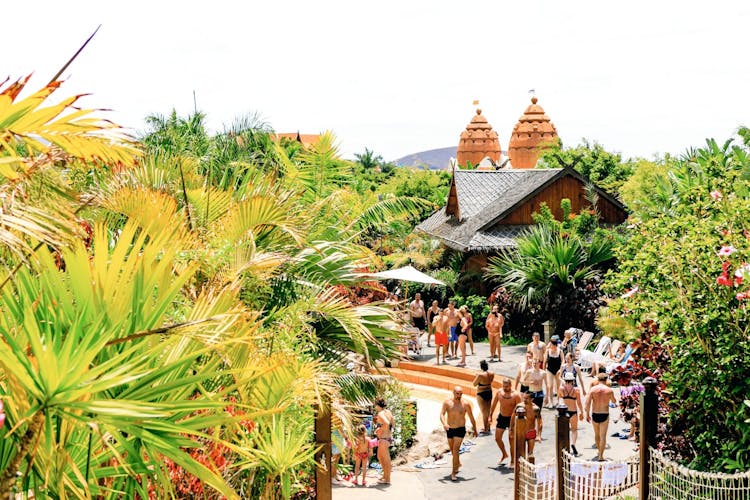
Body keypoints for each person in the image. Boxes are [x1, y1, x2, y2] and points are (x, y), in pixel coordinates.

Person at [439, 386, 478, 482]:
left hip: (460, 429)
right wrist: (444, 424)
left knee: (455, 450)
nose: (459, 396)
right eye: (457, 393)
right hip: (450, 429)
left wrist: (475, 429)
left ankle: (453, 472)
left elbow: (471, 417)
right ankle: (458, 463)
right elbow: (442, 414)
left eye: (461, 394)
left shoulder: (465, 404)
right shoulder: (447, 402)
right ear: (453, 393)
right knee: (452, 451)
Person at [585, 373, 618, 461]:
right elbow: (614, 401)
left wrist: (587, 414)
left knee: (597, 435)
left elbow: (587, 403)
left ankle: (599, 451)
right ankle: (601, 456)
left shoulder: (592, 389)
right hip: (604, 414)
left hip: (595, 413)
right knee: (603, 436)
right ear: (606, 380)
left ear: (598, 380)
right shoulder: (609, 390)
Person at [489, 378, 521, 466]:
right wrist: (490, 415)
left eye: (507, 386)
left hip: (512, 419)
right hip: (502, 417)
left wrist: (515, 423)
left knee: (511, 440)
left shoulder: (516, 395)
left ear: (510, 385)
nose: (505, 388)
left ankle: (512, 461)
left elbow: (519, 409)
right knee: (497, 438)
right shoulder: (499, 392)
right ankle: (504, 454)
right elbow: (494, 403)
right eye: (504, 386)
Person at [559, 371, 584, 456]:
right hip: (573, 411)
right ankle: (573, 443)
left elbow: (560, 398)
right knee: (574, 430)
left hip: (564, 411)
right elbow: (579, 403)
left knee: (565, 430)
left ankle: (565, 445)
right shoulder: (576, 390)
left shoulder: (561, 389)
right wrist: (582, 412)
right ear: (573, 380)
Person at [513, 391, 543, 461]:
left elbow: (540, 422)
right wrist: (511, 429)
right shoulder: (519, 406)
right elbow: (513, 417)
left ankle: (529, 466)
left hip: (531, 432)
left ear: (532, 399)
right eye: (524, 398)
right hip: (521, 432)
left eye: (526, 398)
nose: (524, 400)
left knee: (530, 454)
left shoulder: (536, 409)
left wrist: (539, 435)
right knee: (520, 454)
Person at [520, 359, 545, 437]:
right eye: (533, 363)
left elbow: (547, 384)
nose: (534, 364)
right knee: (529, 413)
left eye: (536, 363)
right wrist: (531, 382)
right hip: (531, 393)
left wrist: (547, 396)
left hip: (539, 393)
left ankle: (539, 434)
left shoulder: (543, 373)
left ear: (539, 364)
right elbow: (522, 381)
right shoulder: (529, 372)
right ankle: (529, 431)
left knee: (538, 414)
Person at [374, 397, 394, 484]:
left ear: (378, 405)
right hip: (387, 438)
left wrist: (379, 429)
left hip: (383, 439)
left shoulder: (380, 414)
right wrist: (389, 431)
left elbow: (387, 423)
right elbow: (393, 423)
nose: (375, 407)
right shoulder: (388, 412)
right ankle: (385, 476)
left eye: (375, 405)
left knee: (385, 459)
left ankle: (387, 479)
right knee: (380, 457)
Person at [472, 360, 495, 434]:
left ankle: (485, 428)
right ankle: (488, 427)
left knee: (483, 412)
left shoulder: (480, 375)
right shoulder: (492, 373)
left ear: (481, 367)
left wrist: (476, 376)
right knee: (488, 411)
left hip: (481, 393)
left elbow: (474, 384)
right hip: (489, 391)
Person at [544, 335, 563, 408]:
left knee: (558, 386)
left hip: (558, 370)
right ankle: (551, 402)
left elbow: (563, 361)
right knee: (550, 386)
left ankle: (558, 401)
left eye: (553, 345)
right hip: (549, 370)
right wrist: (543, 370)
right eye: (551, 344)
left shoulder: (560, 351)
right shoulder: (547, 351)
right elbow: (545, 361)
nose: (552, 346)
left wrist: (561, 369)